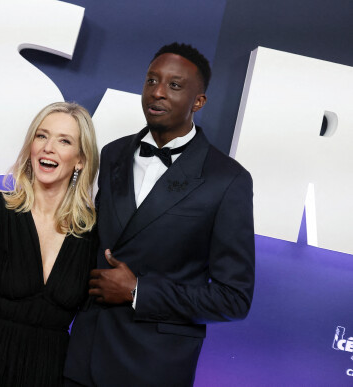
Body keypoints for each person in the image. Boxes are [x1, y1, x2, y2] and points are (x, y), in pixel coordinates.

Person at [64, 43, 255, 386]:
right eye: (152, 80)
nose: (158, 92)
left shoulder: (228, 180)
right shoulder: (113, 154)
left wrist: (139, 291)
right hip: (83, 358)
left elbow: (234, 299)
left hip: (153, 367)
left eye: (174, 85)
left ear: (199, 101)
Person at [0, 102, 99, 387]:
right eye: (41, 136)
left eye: (64, 141)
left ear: (80, 160)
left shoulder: (89, 233)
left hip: (47, 373)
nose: (48, 147)